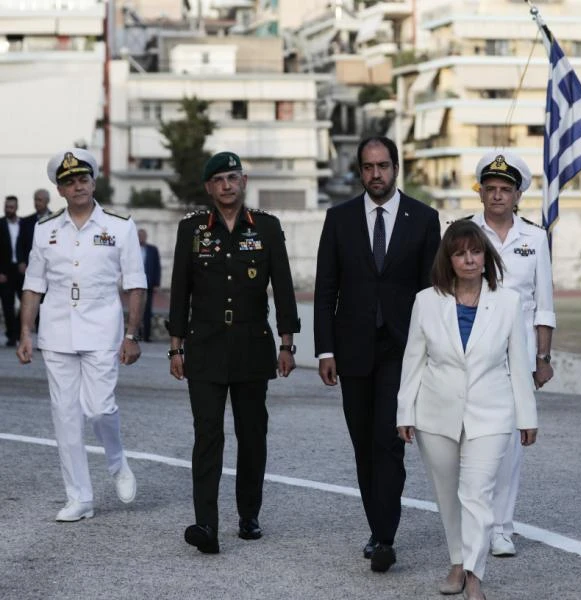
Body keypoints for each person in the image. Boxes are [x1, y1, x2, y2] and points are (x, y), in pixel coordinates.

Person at [314, 136, 441, 572]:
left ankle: (384, 536)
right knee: (363, 443)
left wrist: (434, 351)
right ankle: (377, 526)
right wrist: (325, 349)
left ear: (396, 167)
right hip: (352, 349)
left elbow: (432, 291)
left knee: (389, 441)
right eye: (368, 167)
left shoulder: (424, 219)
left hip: (403, 349)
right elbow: (326, 288)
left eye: (383, 166)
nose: (376, 175)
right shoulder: (339, 218)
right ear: (360, 171)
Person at [396, 220, 537, 600]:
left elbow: (519, 365)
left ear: (485, 256)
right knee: (447, 493)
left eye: (475, 252)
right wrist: (404, 413)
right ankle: (456, 560)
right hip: (435, 413)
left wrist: (527, 417)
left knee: (477, 492)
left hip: (491, 412)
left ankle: (474, 572)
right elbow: (414, 360)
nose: (469, 259)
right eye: (460, 253)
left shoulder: (508, 302)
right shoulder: (426, 301)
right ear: (449, 259)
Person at [167, 151, 299, 554]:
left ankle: (249, 515)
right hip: (204, 346)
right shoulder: (192, 229)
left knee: (251, 433)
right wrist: (175, 347)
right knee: (207, 434)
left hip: (251, 346)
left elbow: (285, 288)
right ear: (209, 187)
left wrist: (287, 343)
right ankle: (206, 523)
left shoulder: (268, 228)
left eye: (233, 177)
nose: (227, 185)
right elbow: (179, 290)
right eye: (219, 179)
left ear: (244, 182)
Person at [15, 148, 144, 521]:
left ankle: (117, 462)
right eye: (69, 182)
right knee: (65, 415)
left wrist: (132, 334)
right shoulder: (45, 229)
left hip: (103, 329)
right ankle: (80, 497)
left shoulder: (119, 226)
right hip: (56, 332)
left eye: (83, 179)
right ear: (60, 190)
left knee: (100, 407)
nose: (78, 187)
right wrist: (26, 332)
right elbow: (33, 285)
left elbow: (136, 284)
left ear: (92, 182)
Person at [466, 151, 554, 557]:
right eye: (491, 189)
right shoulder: (465, 234)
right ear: (480, 192)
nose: (497, 196)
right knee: (473, 440)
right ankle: (476, 521)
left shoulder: (535, 238)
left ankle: (502, 525)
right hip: (475, 349)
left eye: (505, 190)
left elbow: (544, 304)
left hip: (518, 354)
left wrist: (543, 358)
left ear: (518, 195)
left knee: (513, 445)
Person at [0, 195, 30, 346]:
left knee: (25, 302)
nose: (8, 210)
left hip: (21, 270)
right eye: (6, 207)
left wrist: (25, 262)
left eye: (11, 207)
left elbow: (29, 245)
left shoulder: (24, 224)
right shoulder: (0, 224)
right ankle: (12, 337)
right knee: (7, 305)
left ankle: (17, 332)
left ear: (16, 208)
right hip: (5, 272)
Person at [138, 228, 160, 341]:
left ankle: (147, 335)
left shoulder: (153, 250)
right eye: (139, 236)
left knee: (148, 310)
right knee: (137, 309)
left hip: (149, 284)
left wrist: (156, 283)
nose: (141, 238)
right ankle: (137, 334)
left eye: (143, 236)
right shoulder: (133, 249)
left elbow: (157, 267)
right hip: (136, 284)